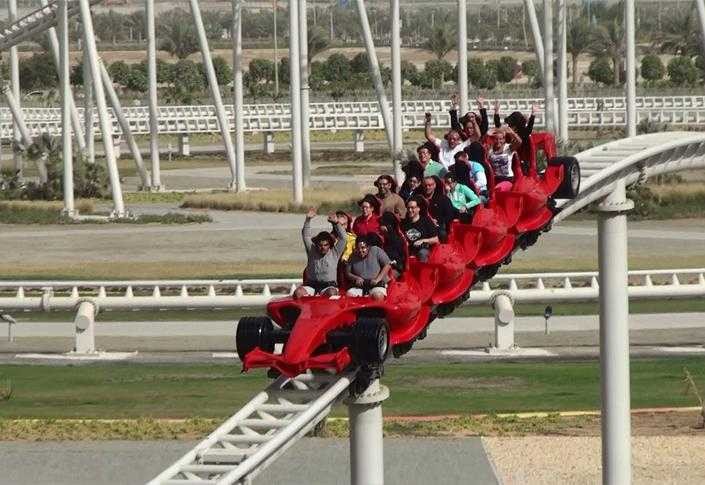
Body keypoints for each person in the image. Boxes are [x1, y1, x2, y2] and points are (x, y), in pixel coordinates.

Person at [294, 208, 347, 298]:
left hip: (329, 286)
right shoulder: (311, 250)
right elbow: (305, 235)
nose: (323, 247)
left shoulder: (335, 252)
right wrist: (308, 219)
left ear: (329, 245)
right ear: (316, 245)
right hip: (311, 285)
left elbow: (343, 238)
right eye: (320, 245)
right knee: (298, 292)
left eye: (325, 245)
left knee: (331, 293)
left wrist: (336, 223)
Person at [345, 236, 392, 301]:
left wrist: (377, 279)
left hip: (376, 284)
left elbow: (387, 264)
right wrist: (356, 278)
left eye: (363, 248)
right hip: (360, 286)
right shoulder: (352, 256)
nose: (360, 250)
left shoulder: (376, 250)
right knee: (349, 294)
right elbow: (348, 273)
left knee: (378, 296)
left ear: (368, 247)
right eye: (358, 248)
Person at [402, 195, 439, 262]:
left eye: (412, 208)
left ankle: (423, 271)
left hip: (423, 249)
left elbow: (436, 239)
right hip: (409, 249)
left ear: (418, 208)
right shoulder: (404, 223)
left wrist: (423, 241)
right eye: (408, 208)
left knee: (422, 253)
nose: (410, 210)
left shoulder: (426, 221)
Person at [421, 175, 454, 240]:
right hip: (422, 226)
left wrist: (438, 221)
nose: (427, 187)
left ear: (434, 185)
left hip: (438, 226)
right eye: (425, 185)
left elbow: (450, 215)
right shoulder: (419, 199)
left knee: (442, 234)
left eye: (430, 185)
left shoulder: (443, 199)